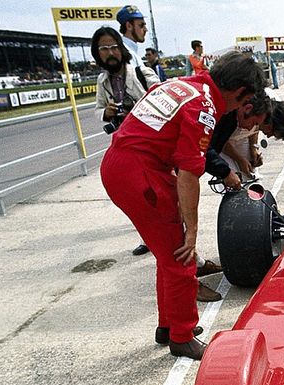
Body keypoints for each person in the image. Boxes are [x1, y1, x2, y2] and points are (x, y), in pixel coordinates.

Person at [100, 52, 265, 358]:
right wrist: (192, 230)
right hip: (140, 173)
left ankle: (169, 325)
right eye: (246, 100)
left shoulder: (183, 84)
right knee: (181, 255)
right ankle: (182, 335)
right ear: (240, 92)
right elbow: (189, 173)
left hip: (121, 164)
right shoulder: (203, 107)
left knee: (166, 253)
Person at [116, 4, 158, 257]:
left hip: (141, 130)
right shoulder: (121, 54)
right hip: (136, 132)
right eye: (141, 25)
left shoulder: (134, 52)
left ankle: (150, 235)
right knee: (144, 187)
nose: (144, 29)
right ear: (129, 25)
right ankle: (149, 236)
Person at [92, 26, 158, 125]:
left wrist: (137, 110)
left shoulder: (144, 74)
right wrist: (106, 112)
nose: (110, 53)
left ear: (122, 49)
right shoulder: (102, 80)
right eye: (104, 49)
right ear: (97, 53)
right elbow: (98, 109)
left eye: (114, 47)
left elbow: (165, 105)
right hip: (124, 135)